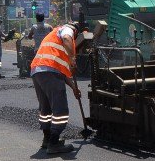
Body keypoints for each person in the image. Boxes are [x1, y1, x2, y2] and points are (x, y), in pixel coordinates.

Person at [29, 21, 103, 154]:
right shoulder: (67, 30)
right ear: (76, 31)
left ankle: (47, 139)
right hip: (50, 72)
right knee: (61, 110)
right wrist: (72, 58)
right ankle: (54, 143)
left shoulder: (53, 38)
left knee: (45, 109)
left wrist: (74, 87)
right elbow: (67, 38)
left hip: (37, 71)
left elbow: (63, 73)